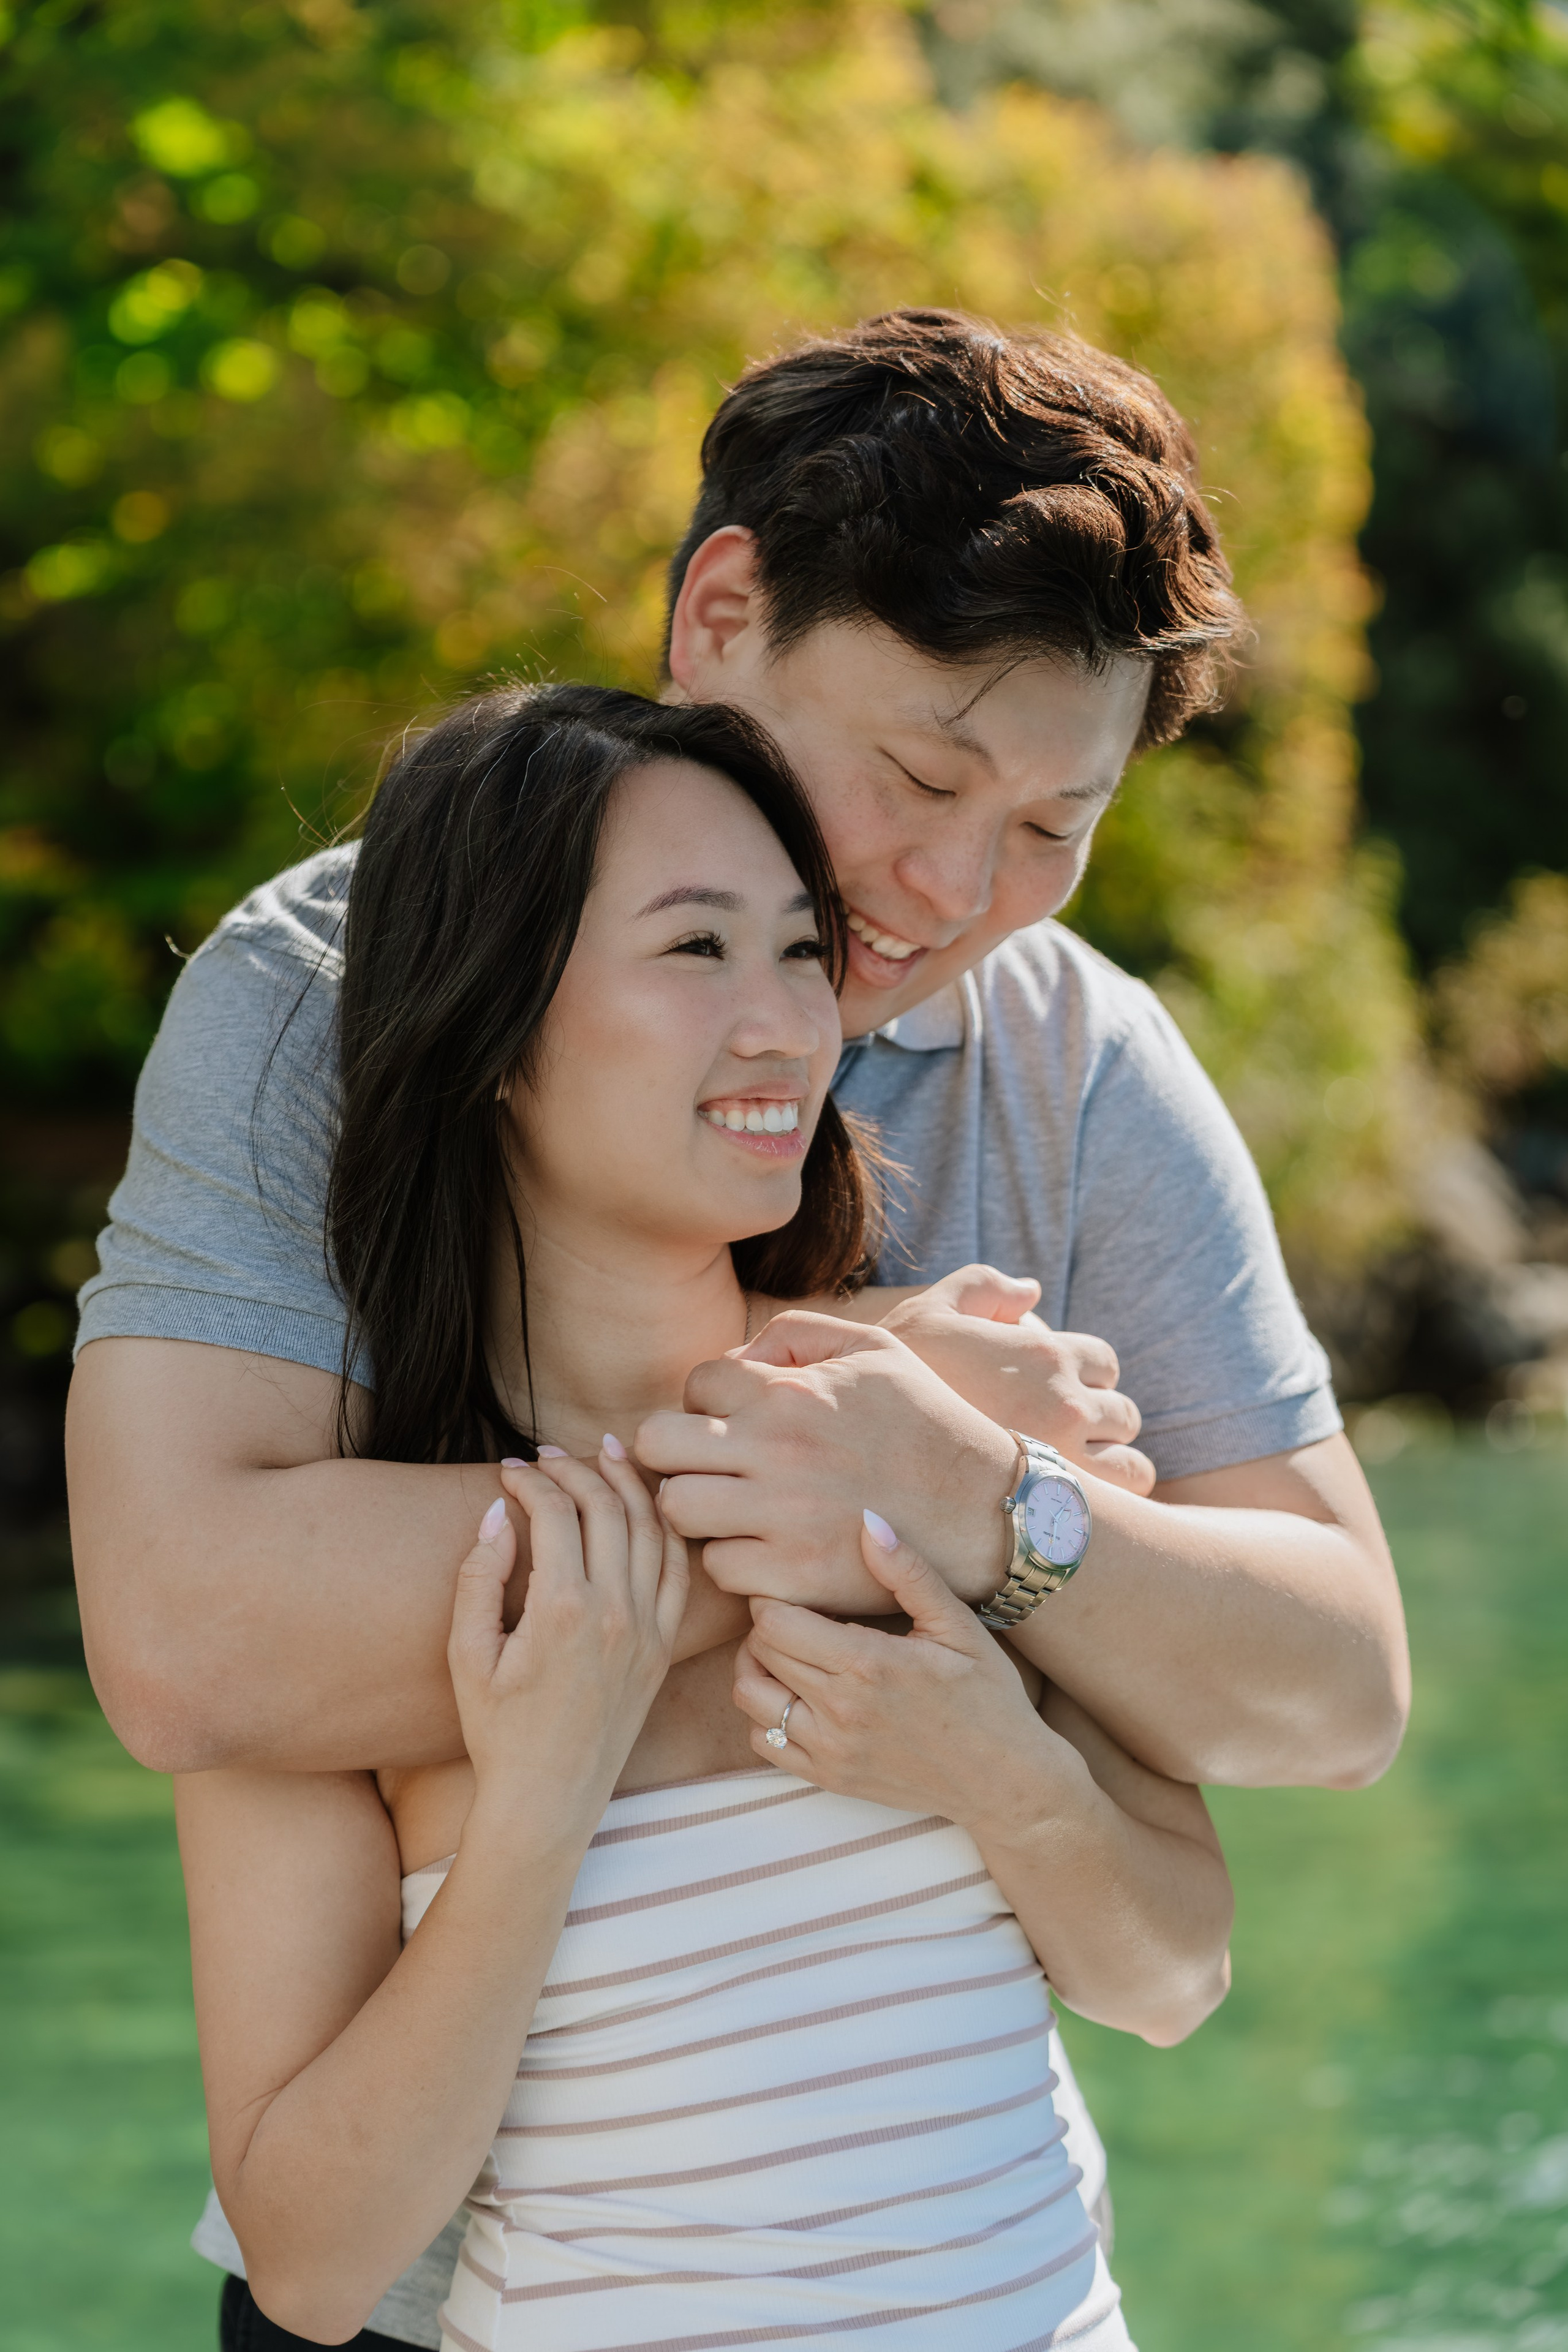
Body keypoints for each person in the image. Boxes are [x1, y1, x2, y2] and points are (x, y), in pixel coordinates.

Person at [66, 307, 1409, 2339]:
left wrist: (972, 1501)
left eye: (1058, 825)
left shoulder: (1079, 1065)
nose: (955, 888)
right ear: (721, 614)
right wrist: (854, 1426)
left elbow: (1331, 1690)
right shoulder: (340, 988)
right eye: (921, 772)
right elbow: (186, 1637)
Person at [176, 682, 1231, 2351]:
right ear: (495, 1027)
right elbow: (312, 2269)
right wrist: (536, 1808)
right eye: (696, 951)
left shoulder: (946, 1447)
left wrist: (1005, 1777)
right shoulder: (358, 1610)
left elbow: (1176, 1978)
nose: (791, 1024)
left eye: (802, 951)